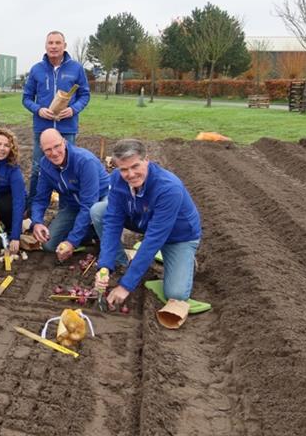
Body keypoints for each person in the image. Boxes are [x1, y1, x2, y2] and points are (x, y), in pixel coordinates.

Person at [91, 139, 201, 309]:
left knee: (176, 294)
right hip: (143, 220)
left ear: (146, 160)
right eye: (124, 169)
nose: (131, 174)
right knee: (99, 211)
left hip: (177, 235)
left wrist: (125, 286)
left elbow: (153, 240)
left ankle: (185, 259)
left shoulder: (168, 188)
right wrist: (105, 265)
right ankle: (121, 262)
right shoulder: (117, 180)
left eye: (135, 166)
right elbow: (112, 222)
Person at [23, 31, 90, 205]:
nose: (54, 46)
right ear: (46, 46)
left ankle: (69, 208)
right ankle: (32, 207)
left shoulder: (76, 68)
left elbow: (85, 95)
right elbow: (26, 98)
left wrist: (73, 110)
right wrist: (38, 110)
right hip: (42, 129)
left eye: (57, 43)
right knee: (38, 167)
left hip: (67, 128)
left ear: (64, 46)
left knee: (69, 168)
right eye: (50, 43)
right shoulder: (37, 69)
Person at [30, 129, 109, 261]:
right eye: (48, 149)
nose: (54, 153)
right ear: (42, 149)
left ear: (64, 142)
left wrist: (72, 242)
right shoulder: (45, 164)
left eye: (57, 146)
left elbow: (89, 204)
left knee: (98, 213)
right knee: (49, 245)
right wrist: (37, 222)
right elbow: (40, 198)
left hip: (100, 199)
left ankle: (109, 242)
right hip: (74, 205)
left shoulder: (84, 161)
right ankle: (91, 233)